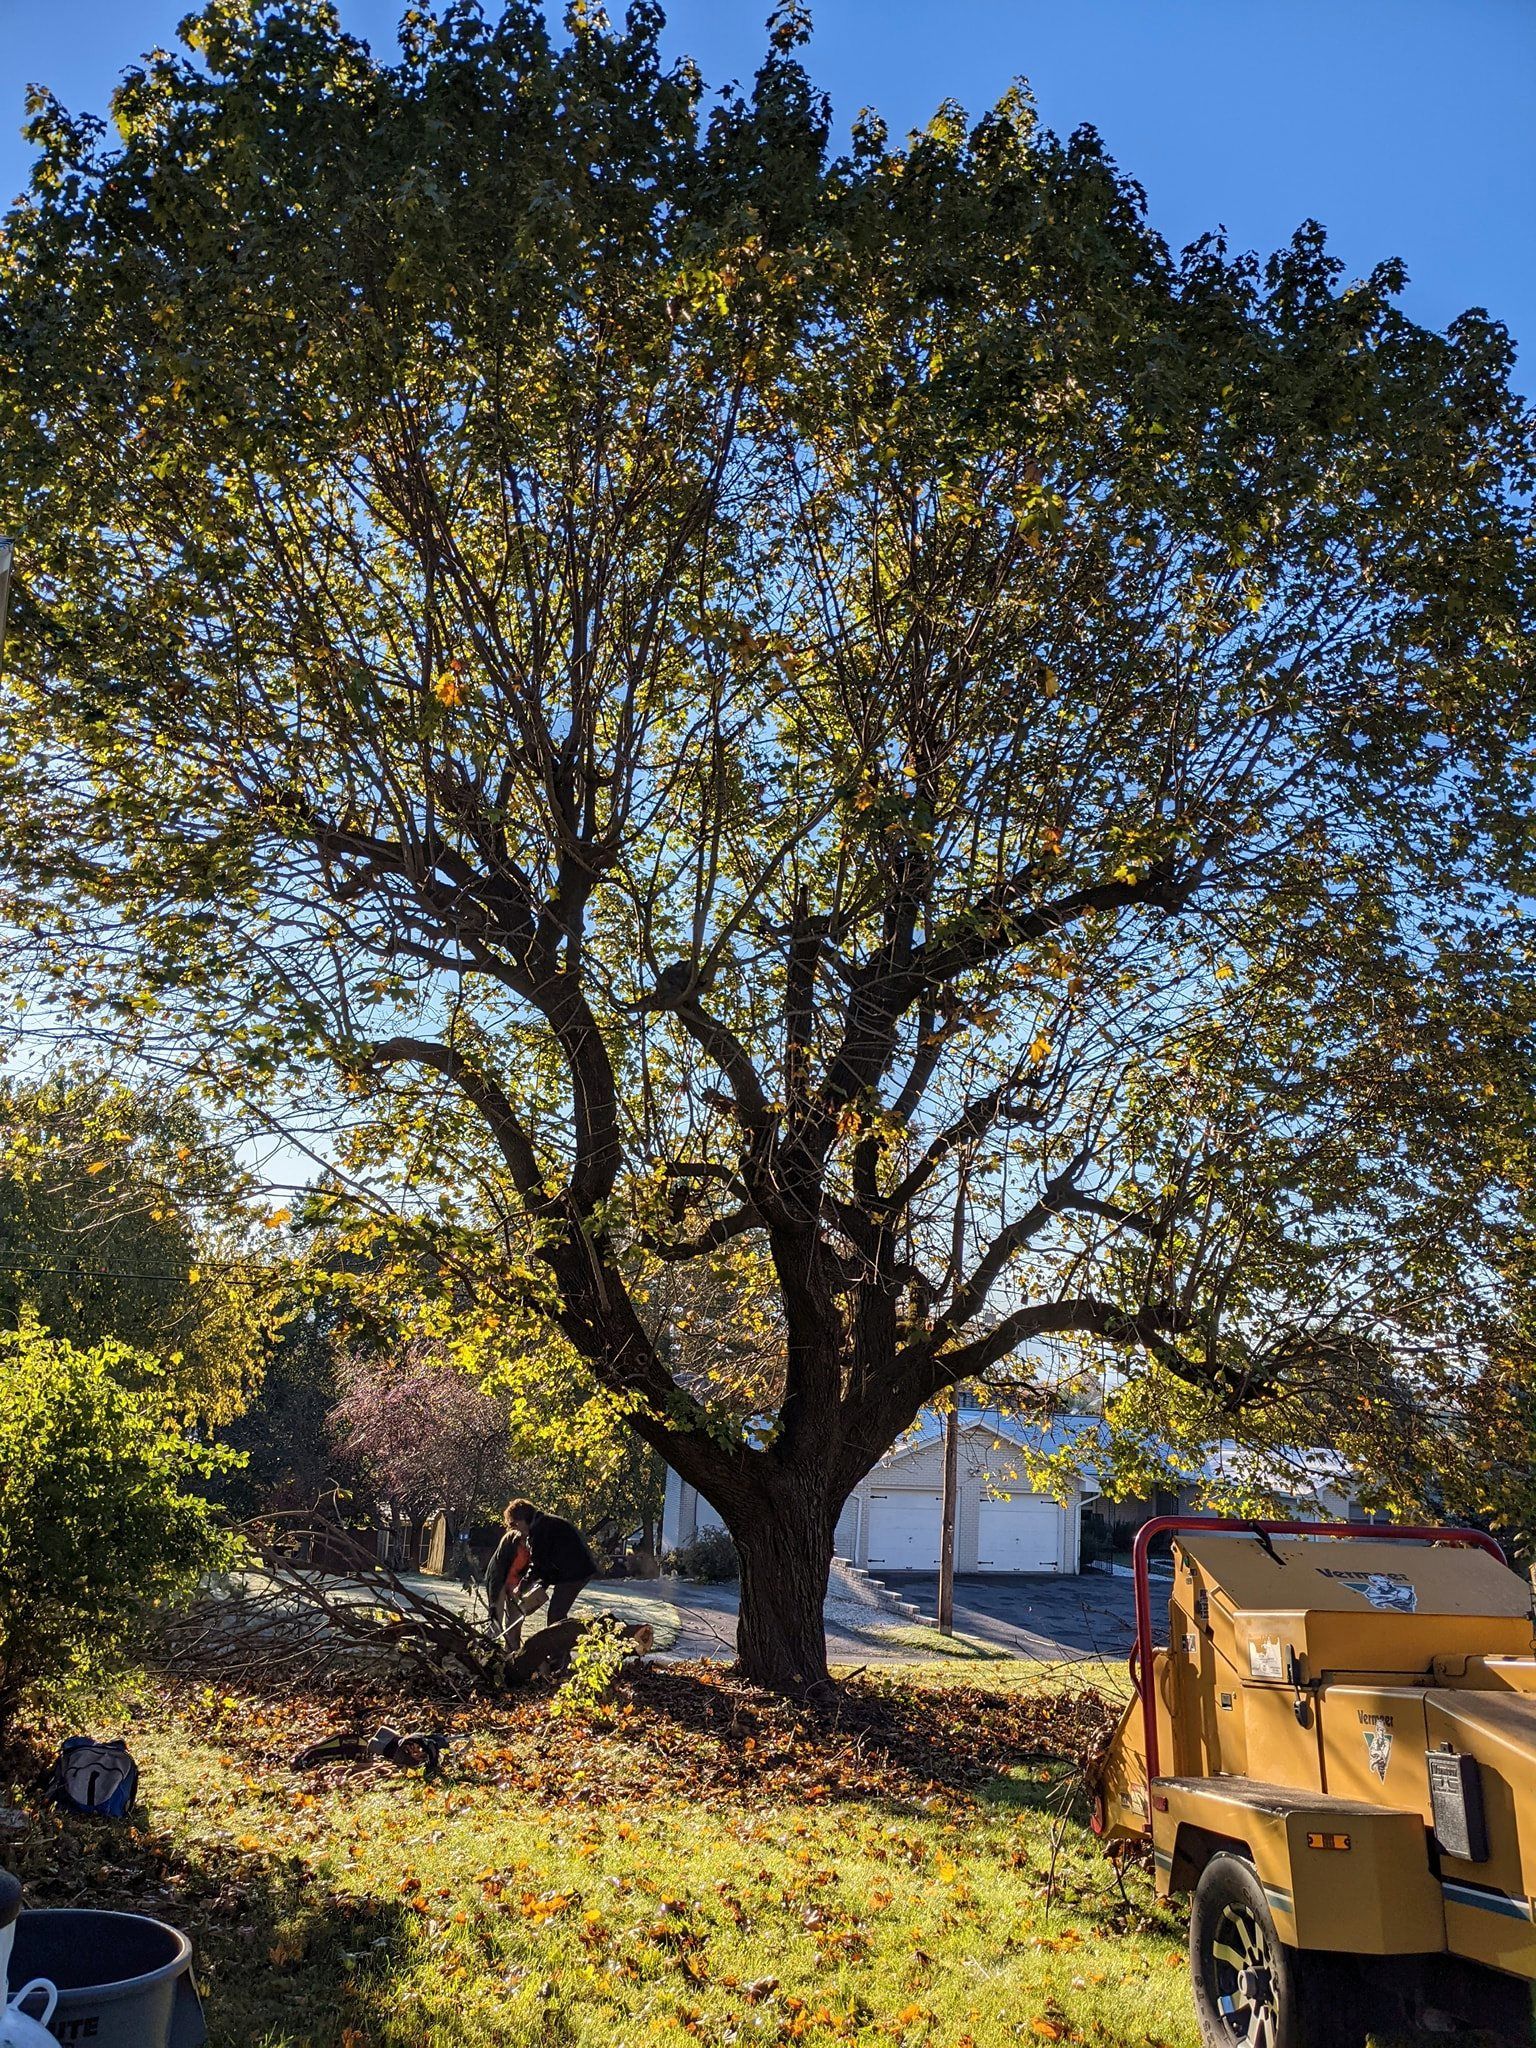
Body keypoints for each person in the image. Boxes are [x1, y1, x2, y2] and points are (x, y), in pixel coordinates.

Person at [504, 1498, 598, 1625]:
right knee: (557, 1613)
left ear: (522, 1519)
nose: (516, 1529)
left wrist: (521, 1587)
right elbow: (547, 1565)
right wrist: (541, 1585)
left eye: (515, 1524)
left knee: (556, 1615)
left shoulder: (540, 1530)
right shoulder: (545, 1523)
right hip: (575, 1569)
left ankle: (566, 1640)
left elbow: (538, 1565)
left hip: (575, 1573)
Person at [484, 1505, 532, 1644]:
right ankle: (489, 1649)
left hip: (517, 1585)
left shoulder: (534, 1541)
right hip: (500, 1581)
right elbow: (498, 1569)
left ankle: (512, 1652)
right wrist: (498, 1592)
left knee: (515, 1623)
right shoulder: (510, 1539)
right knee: (495, 1622)